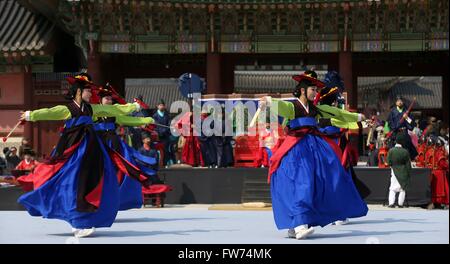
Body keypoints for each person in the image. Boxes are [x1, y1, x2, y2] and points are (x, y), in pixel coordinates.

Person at [16, 73, 143, 238]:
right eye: (88, 91)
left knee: (91, 184)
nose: (91, 94)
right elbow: (50, 112)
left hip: (90, 151)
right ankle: (77, 222)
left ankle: (84, 219)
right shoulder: (68, 109)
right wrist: (30, 115)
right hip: (72, 152)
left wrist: (133, 107)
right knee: (71, 184)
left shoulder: (91, 109)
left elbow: (113, 109)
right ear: (78, 92)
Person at [260, 70, 368, 240]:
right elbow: (282, 106)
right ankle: (300, 225)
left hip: (312, 150)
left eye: (316, 90)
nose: (316, 93)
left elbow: (337, 114)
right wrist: (269, 101)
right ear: (303, 90)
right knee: (304, 183)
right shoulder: (293, 106)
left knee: (318, 181)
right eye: (313, 90)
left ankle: (296, 225)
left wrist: (357, 116)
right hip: (296, 152)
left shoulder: (316, 109)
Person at [94, 85, 158, 211]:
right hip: (99, 143)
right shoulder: (95, 113)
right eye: (106, 99)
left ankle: (117, 199)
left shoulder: (114, 114)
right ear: (100, 101)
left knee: (120, 170)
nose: (109, 101)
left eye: (110, 99)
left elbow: (128, 119)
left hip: (113, 144)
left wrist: (146, 120)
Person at [386, 96, 418, 160]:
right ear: (396, 103)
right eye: (398, 101)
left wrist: (406, 118)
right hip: (395, 133)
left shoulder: (407, 112)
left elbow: (412, 123)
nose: (400, 102)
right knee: (392, 146)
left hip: (404, 133)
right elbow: (390, 122)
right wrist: (394, 128)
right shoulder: (392, 112)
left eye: (401, 101)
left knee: (408, 146)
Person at [386, 133, 412, 208]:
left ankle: (391, 203)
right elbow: (408, 165)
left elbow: (388, 162)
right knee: (402, 189)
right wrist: (409, 173)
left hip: (393, 171)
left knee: (392, 188)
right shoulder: (405, 151)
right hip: (403, 171)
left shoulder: (391, 151)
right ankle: (400, 204)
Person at [152, 99, 175, 167]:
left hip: (166, 135)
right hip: (159, 136)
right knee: (160, 150)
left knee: (167, 150)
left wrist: (167, 129)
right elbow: (156, 126)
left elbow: (169, 124)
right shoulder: (155, 116)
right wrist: (160, 131)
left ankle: (166, 163)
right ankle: (159, 164)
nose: (162, 106)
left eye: (163, 105)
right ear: (157, 106)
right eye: (160, 105)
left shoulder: (167, 115)